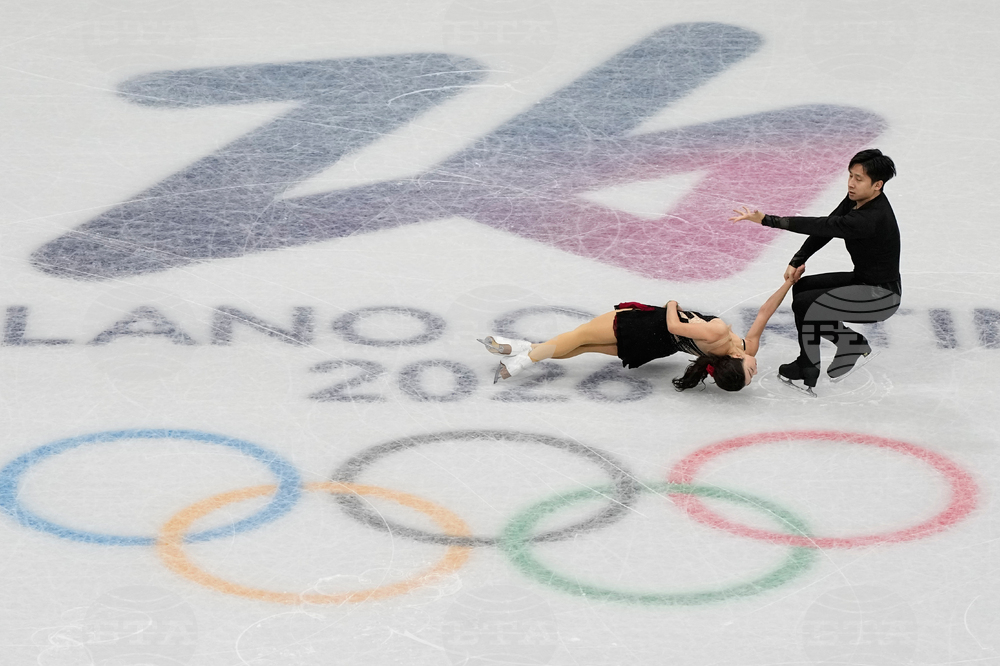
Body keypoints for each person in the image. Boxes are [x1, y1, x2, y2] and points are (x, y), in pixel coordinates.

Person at [729, 148, 901, 393]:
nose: (851, 184)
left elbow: (823, 224)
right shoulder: (857, 201)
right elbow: (828, 228)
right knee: (803, 287)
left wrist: (769, 219)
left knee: (806, 304)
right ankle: (849, 344)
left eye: (859, 179)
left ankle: (807, 365)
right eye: (850, 176)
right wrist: (800, 257)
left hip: (881, 297)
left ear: (878, 185)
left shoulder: (869, 218)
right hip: (865, 281)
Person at [479, 268, 804, 392]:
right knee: (582, 347)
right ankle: (517, 348)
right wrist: (787, 285)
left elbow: (674, 323)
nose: (755, 367)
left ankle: (519, 360)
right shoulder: (745, 348)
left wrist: (672, 301)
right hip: (654, 346)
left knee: (577, 337)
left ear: (736, 359)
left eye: (750, 371)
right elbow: (764, 313)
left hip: (649, 326)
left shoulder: (718, 333)